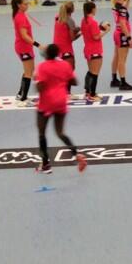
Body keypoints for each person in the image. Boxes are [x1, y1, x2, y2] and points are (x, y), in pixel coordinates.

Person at [33, 43, 87, 176]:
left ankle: (45, 164)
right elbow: (74, 82)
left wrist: (36, 81)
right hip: (61, 102)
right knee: (60, 132)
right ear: (57, 54)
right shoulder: (65, 65)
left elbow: (39, 88)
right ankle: (77, 154)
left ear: (46, 55)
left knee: (41, 133)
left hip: (46, 102)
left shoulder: (42, 67)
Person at [81, 0, 110, 102]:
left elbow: (90, 32)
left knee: (90, 72)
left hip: (87, 49)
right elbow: (96, 37)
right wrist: (106, 31)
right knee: (95, 73)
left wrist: (99, 28)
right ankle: (92, 94)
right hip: (95, 50)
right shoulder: (93, 22)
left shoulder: (84, 20)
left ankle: (87, 92)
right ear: (93, 9)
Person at [12, 0, 39, 107]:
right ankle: (23, 99)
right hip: (23, 47)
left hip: (26, 47)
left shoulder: (20, 15)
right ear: (19, 5)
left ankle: (20, 94)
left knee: (29, 70)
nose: (27, 6)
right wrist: (38, 45)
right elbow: (24, 36)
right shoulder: (20, 17)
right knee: (28, 72)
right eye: (25, 4)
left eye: (28, 4)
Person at [53, 1, 81, 98]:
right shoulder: (70, 20)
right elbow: (72, 38)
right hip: (66, 49)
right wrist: (81, 33)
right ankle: (67, 93)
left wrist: (75, 29)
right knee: (69, 70)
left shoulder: (58, 17)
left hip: (56, 49)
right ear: (72, 10)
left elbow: (63, 30)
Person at [110, 0, 132, 90]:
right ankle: (123, 82)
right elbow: (123, 23)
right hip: (122, 35)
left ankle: (114, 79)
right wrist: (129, 38)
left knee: (116, 56)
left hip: (117, 33)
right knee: (122, 59)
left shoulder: (116, 6)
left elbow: (124, 10)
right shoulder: (122, 9)